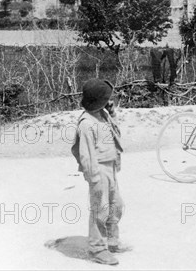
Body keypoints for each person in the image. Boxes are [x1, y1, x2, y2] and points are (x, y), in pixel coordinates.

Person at [71, 78, 127, 265]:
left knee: (116, 205)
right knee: (100, 209)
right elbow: (86, 155)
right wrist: (93, 177)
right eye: (107, 99)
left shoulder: (102, 114)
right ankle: (97, 248)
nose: (110, 101)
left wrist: (112, 113)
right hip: (98, 170)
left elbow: (115, 132)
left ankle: (111, 240)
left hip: (110, 167)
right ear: (98, 100)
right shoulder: (86, 123)